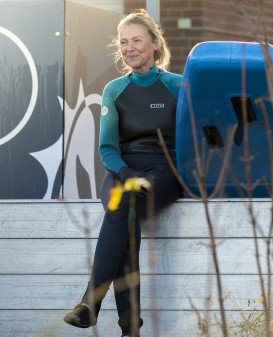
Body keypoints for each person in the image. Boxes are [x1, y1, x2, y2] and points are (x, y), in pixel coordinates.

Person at [63, 9, 183, 337]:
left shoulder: (178, 86)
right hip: (122, 171)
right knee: (121, 210)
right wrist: (126, 171)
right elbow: (107, 148)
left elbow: (192, 139)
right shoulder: (114, 90)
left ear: (156, 44)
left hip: (164, 172)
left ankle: (93, 306)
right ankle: (128, 329)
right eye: (123, 42)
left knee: (122, 208)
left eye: (137, 40)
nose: (129, 48)